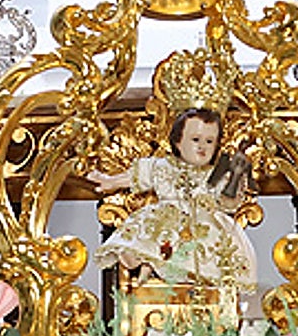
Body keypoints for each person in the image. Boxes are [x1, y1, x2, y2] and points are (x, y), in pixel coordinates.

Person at [89, 108, 257, 290]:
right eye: (195, 140)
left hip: (203, 224)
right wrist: (109, 181)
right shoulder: (163, 166)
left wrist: (235, 182)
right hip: (168, 217)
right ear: (178, 142)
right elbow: (136, 176)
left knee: (209, 251)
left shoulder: (216, 174)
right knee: (150, 236)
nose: (202, 146)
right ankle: (149, 264)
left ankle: (188, 279)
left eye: (209, 141)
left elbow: (228, 203)